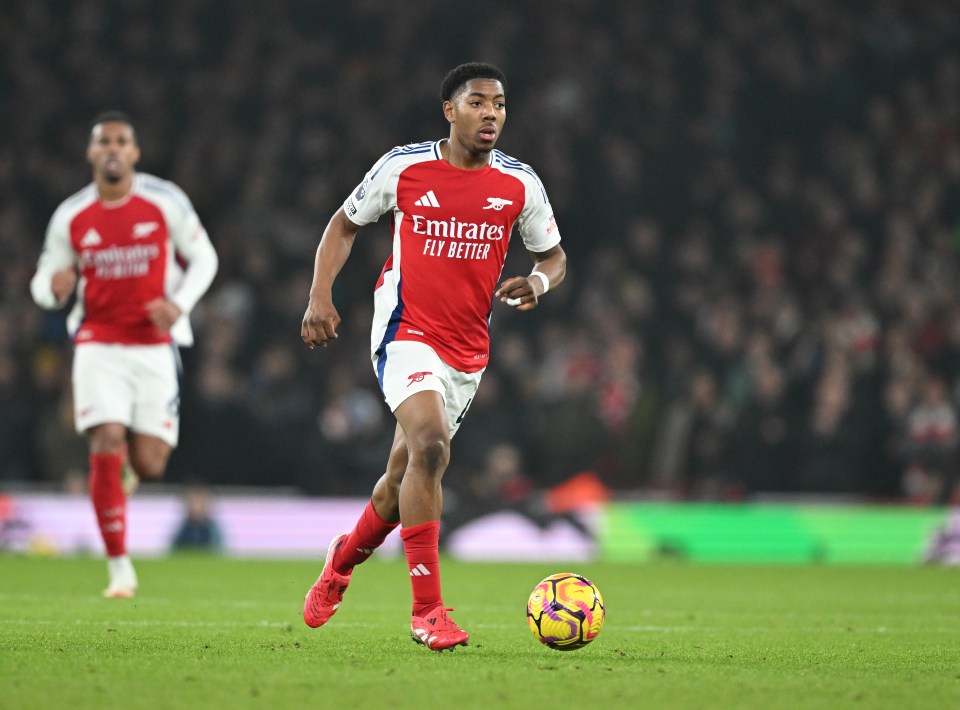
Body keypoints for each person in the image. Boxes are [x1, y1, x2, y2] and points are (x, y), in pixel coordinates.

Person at [300, 62, 567, 651]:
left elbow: (552, 256)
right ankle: (428, 613)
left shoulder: (521, 184)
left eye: (499, 103)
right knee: (431, 446)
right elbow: (343, 225)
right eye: (477, 102)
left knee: (398, 485)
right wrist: (320, 296)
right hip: (404, 331)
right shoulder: (404, 166)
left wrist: (539, 284)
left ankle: (341, 560)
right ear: (450, 110)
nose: (491, 112)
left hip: (467, 353)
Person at [30, 111, 218, 597]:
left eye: (122, 141)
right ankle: (119, 567)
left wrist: (178, 305)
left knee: (152, 463)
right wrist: (54, 290)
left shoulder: (164, 201)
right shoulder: (71, 216)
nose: (113, 148)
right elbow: (43, 283)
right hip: (98, 342)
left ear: (134, 152)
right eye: (104, 142)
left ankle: (126, 476)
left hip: (155, 347)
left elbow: (205, 258)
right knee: (106, 437)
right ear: (91, 153)